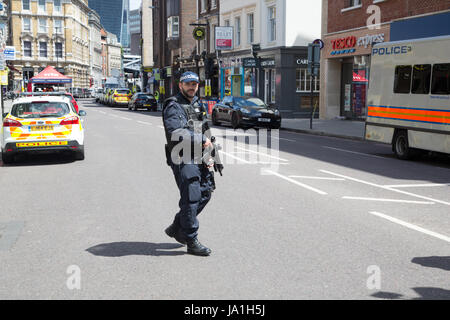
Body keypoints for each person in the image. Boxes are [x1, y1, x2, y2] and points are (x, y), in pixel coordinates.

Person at [162, 72, 216, 257]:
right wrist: (201, 139)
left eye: (194, 84)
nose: (192, 87)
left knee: (206, 193)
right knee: (191, 197)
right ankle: (191, 240)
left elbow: (205, 129)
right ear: (180, 86)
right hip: (183, 156)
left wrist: (213, 157)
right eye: (188, 84)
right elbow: (175, 132)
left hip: (200, 156)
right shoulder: (173, 105)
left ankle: (177, 225)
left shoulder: (197, 104)